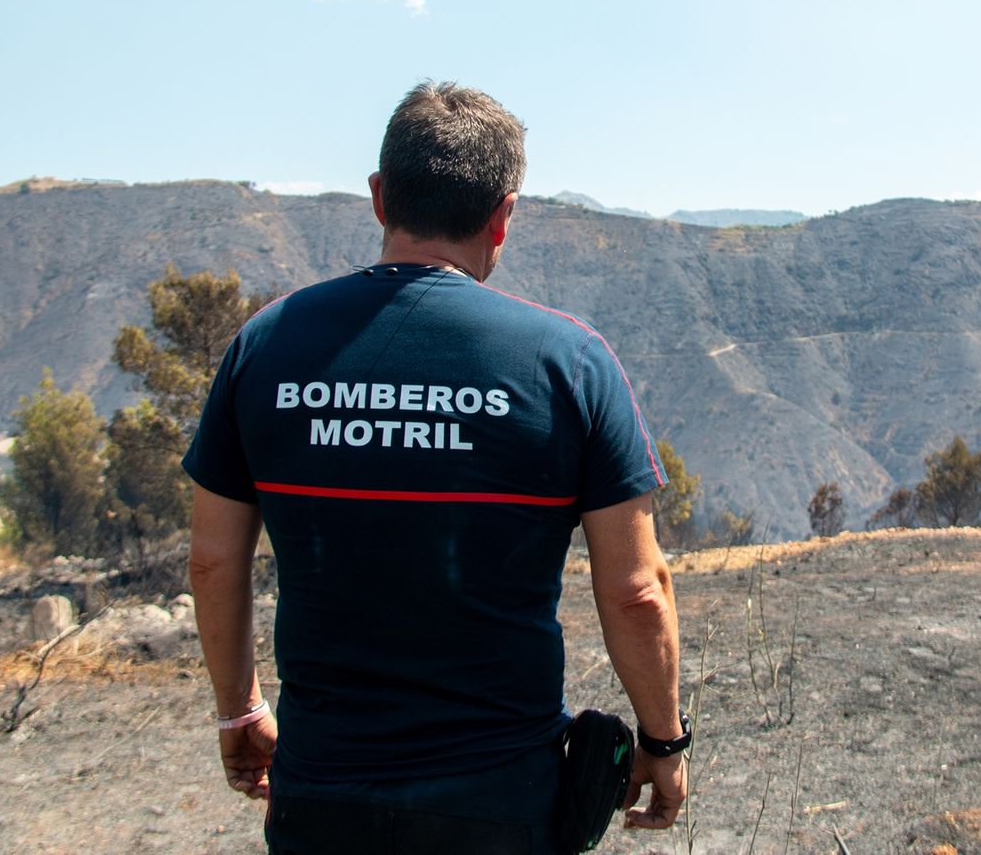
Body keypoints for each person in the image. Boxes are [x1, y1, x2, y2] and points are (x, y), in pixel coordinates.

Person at [184, 81, 687, 853]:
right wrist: (664, 739)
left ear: (381, 197)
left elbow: (214, 560)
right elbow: (635, 590)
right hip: (500, 802)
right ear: (503, 216)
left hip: (320, 795)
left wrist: (240, 711)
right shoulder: (570, 361)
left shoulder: (265, 344)